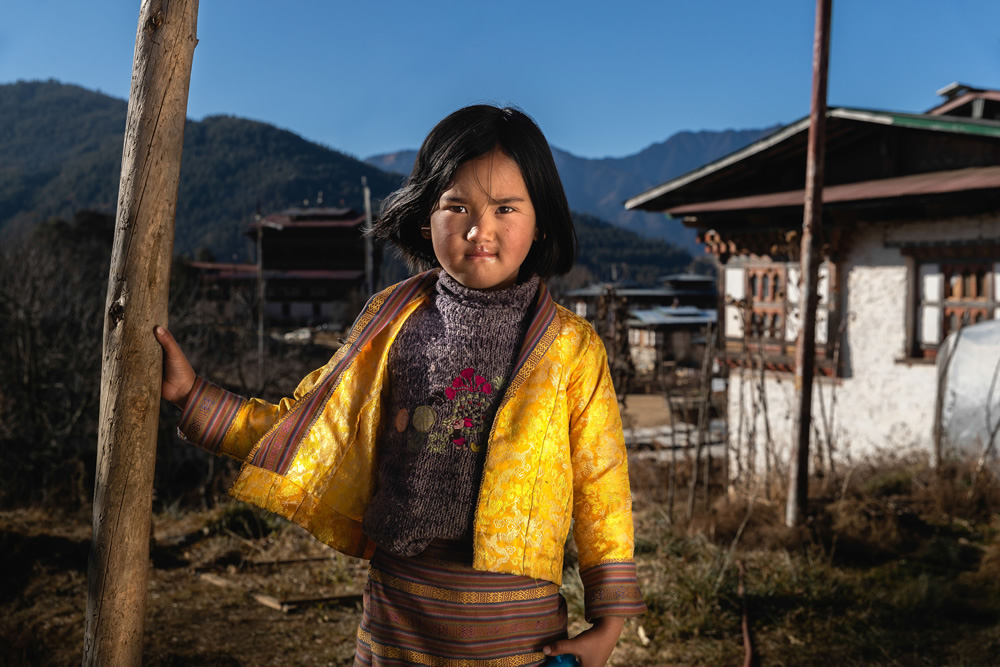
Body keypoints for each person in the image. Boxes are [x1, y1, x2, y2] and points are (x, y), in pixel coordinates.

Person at [156, 104, 646, 667]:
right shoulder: (392, 324)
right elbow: (311, 425)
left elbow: (602, 488)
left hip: (518, 631)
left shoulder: (571, 348)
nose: (478, 228)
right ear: (423, 221)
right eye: (456, 206)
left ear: (540, 225)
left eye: (505, 208)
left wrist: (608, 624)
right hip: (398, 621)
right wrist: (193, 398)